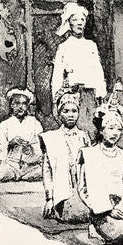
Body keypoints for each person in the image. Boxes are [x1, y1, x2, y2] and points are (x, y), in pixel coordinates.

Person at [76, 103, 123, 245]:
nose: (115, 133)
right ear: (101, 130)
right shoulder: (89, 154)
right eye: (111, 128)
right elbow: (83, 189)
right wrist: (107, 210)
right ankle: (96, 228)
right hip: (101, 211)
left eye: (119, 129)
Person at [50, 2, 106, 138]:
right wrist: (56, 97)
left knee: (92, 130)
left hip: (90, 96)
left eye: (82, 19)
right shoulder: (63, 47)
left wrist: (101, 92)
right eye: (75, 20)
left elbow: (97, 71)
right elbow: (57, 74)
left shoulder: (91, 45)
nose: (79, 23)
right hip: (73, 94)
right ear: (69, 23)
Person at [40, 89, 91, 222]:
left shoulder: (83, 136)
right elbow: (47, 170)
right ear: (59, 113)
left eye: (74, 111)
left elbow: (90, 166)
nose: (70, 115)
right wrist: (49, 199)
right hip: (62, 192)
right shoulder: (52, 138)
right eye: (66, 111)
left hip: (82, 190)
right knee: (73, 216)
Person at [0, 88, 44, 183]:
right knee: (2, 174)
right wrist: (11, 143)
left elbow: (41, 148)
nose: (21, 107)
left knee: (40, 172)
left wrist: (31, 148)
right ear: (11, 105)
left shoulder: (35, 123)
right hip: (12, 164)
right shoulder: (5, 124)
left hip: (30, 165)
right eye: (17, 103)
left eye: (24, 103)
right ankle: (16, 174)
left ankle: (24, 175)